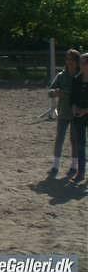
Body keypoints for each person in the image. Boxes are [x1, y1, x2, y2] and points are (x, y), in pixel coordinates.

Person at [47, 49, 81, 177]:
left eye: (72, 59)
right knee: (59, 138)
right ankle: (55, 166)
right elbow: (50, 91)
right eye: (67, 59)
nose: (69, 62)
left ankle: (74, 166)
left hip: (77, 113)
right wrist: (55, 92)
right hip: (63, 112)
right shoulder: (61, 75)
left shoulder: (81, 75)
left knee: (75, 140)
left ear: (77, 61)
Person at [68, 53, 88, 184]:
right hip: (78, 117)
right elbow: (72, 97)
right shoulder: (76, 79)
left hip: (85, 113)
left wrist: (86, 110)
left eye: (81, 62)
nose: (79, 64)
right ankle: (80, 173)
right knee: (80, 145)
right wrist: (74, 108)